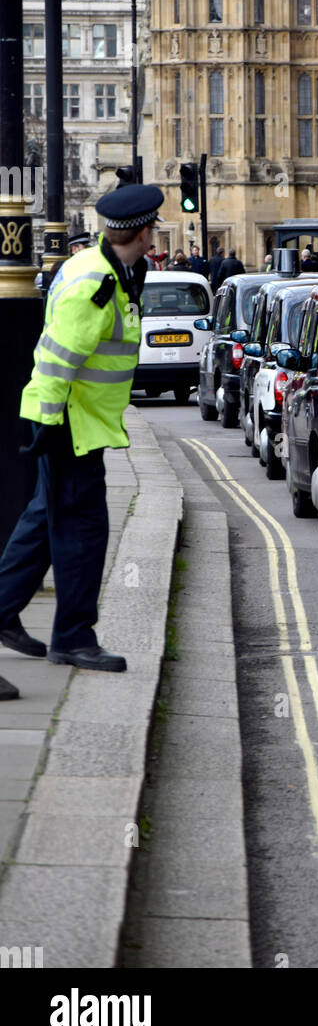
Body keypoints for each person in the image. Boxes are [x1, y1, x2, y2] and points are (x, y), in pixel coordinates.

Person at [0, 183, 165, 674]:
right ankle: (73, 637)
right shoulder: (98, 284)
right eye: (152, 227)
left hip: (75, 422)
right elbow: (57, 356)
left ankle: (10, 614)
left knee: (43, 527)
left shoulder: (105, 268)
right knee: (82, 532)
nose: (155, 235)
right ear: (140, 231)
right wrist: (47, 423)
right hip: (70, 425)